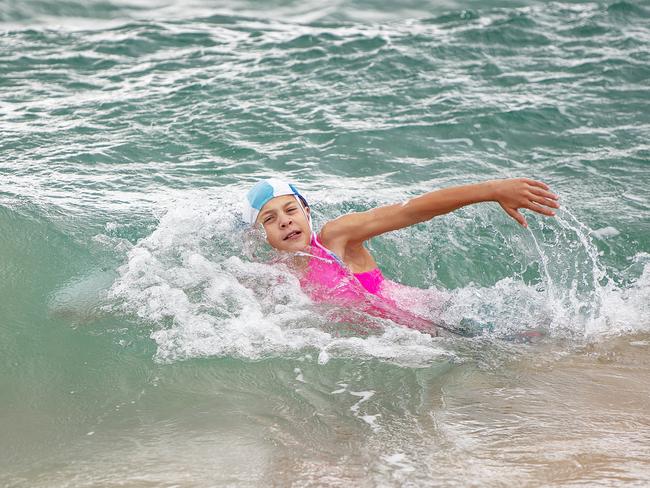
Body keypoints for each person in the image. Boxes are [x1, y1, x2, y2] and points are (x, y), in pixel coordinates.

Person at [243, 178, 559, 335]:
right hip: (414, 336)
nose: (284, 221)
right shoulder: (276, 276)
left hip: (446, 319)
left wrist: (492, 190)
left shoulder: (334, 239)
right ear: (259, 233)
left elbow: (410, 211)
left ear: (306, 212)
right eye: (269, 219)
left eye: (290, 210)